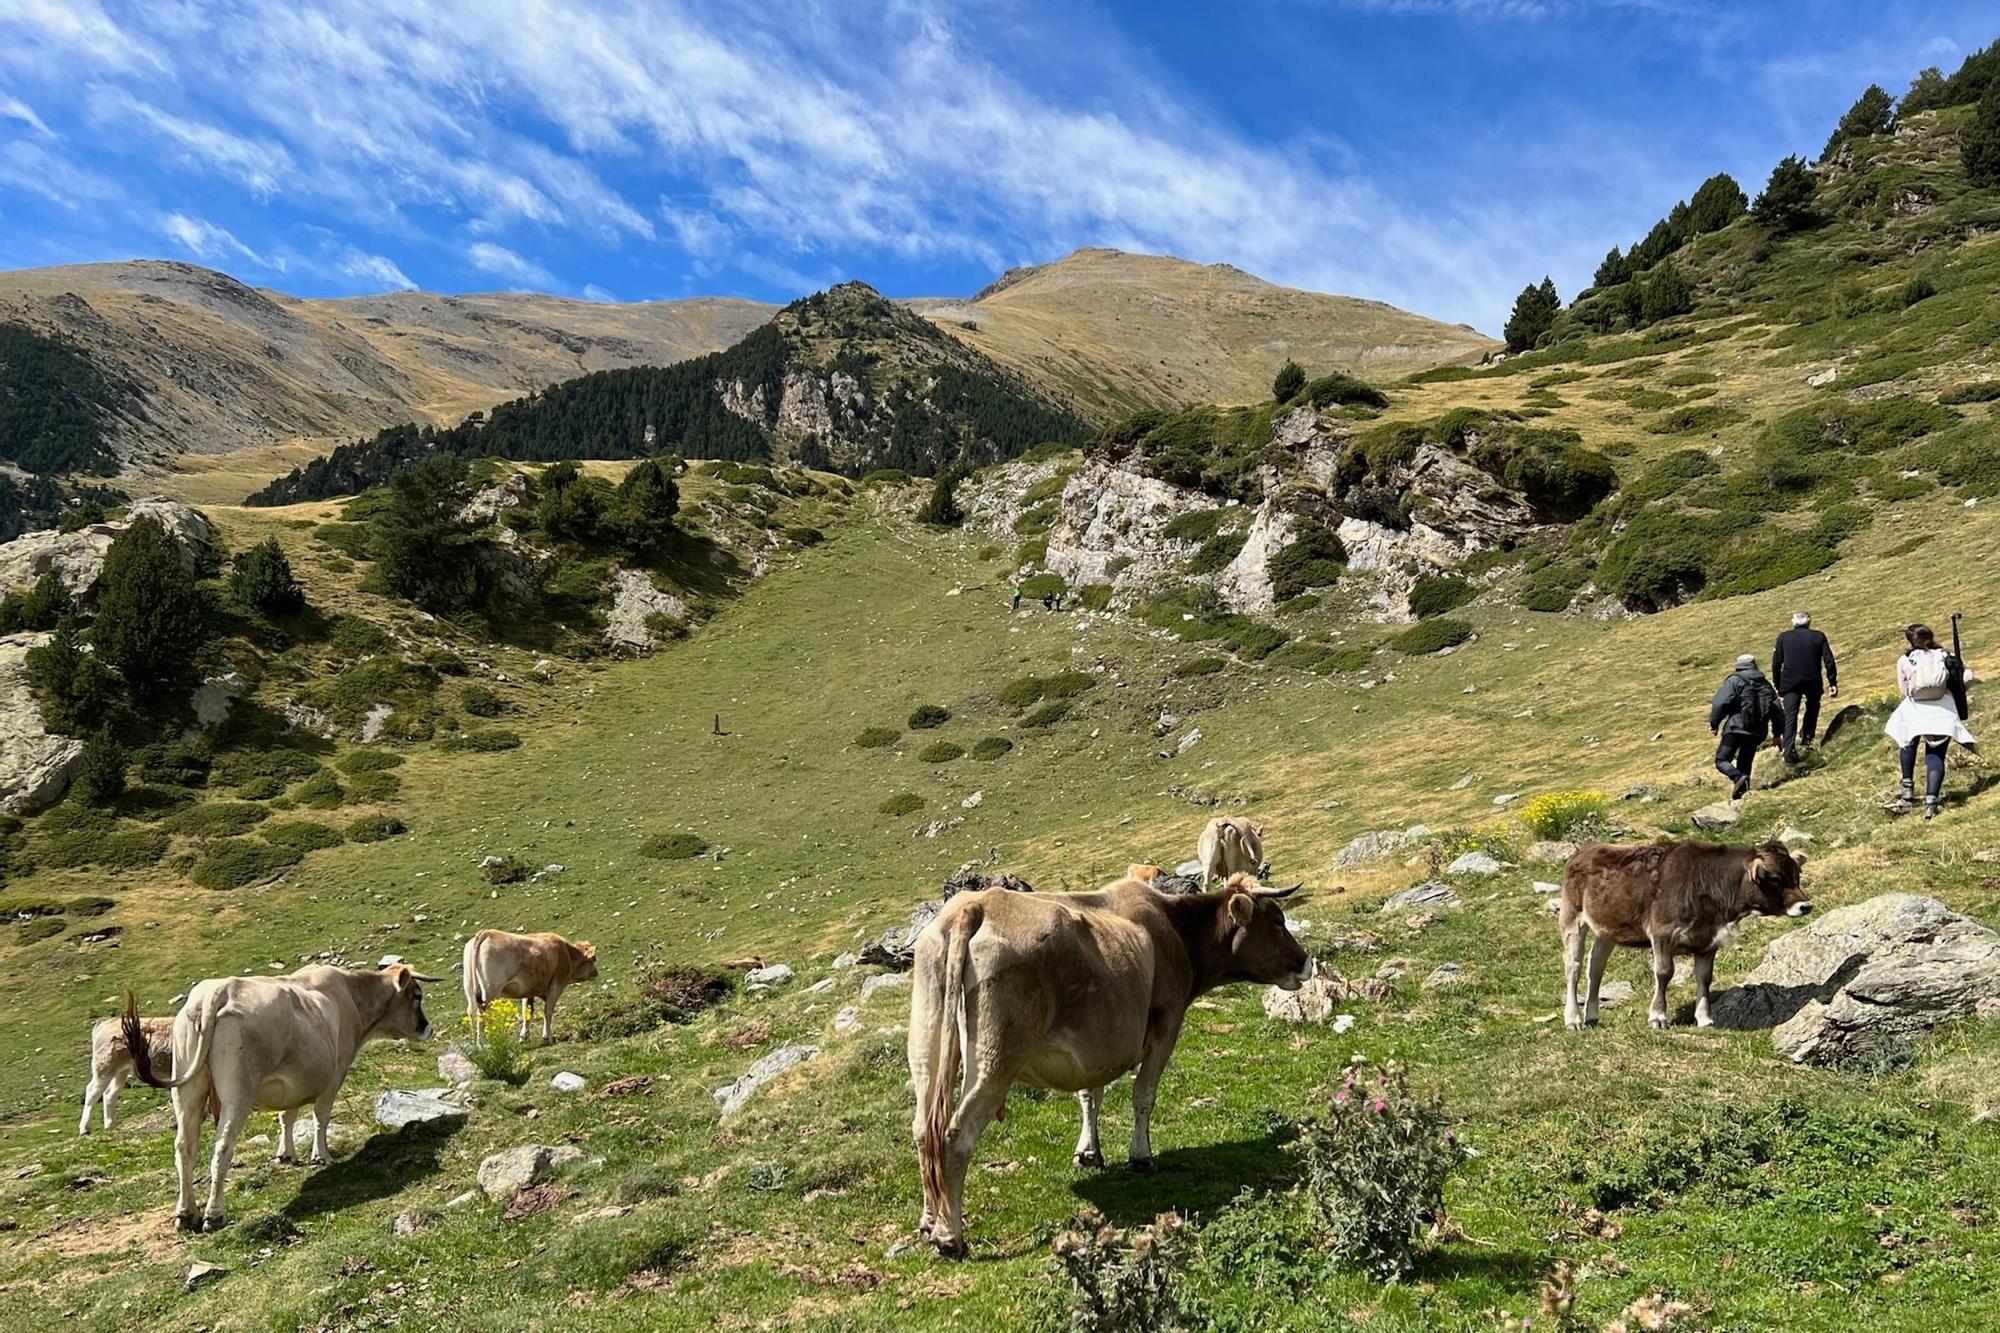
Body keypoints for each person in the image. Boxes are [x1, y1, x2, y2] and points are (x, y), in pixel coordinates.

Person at [1885, 622, 1977, 820]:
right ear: (1930, 636)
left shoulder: (1905, 659)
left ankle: (1908, 790)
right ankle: (1931, 802)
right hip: (1943, 710)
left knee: (1907, 743)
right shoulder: (1945, 655)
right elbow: (1967, 676)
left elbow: (1903, 690)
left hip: (1915, 709)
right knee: (1935, 754)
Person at [1709, 653, 1781, 799]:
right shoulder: (1765, 684)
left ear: (1738, 666)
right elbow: (1777, 709)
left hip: (1736, 728)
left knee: (1721, 760)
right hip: (1757, 732)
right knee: (1745, 762)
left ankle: (1737, 778)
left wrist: (1714, 723)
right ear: (1755, 665)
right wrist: (1777, 734)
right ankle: (1741, 798)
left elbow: (1720, 703)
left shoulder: (1735, 681)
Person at [1772, 610, 1838, 763]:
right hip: (1812, 679)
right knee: (1813, 707)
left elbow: (1776, 663)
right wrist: (1832, 682)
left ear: (1793, 622)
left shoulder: (1784, 637)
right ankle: (1807, 738)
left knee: (1790, 715)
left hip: (1789, 682)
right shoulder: (1818, 636)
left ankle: (1789, 750)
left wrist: (1777, 684)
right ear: (1809, 622)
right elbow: (1829, 660)